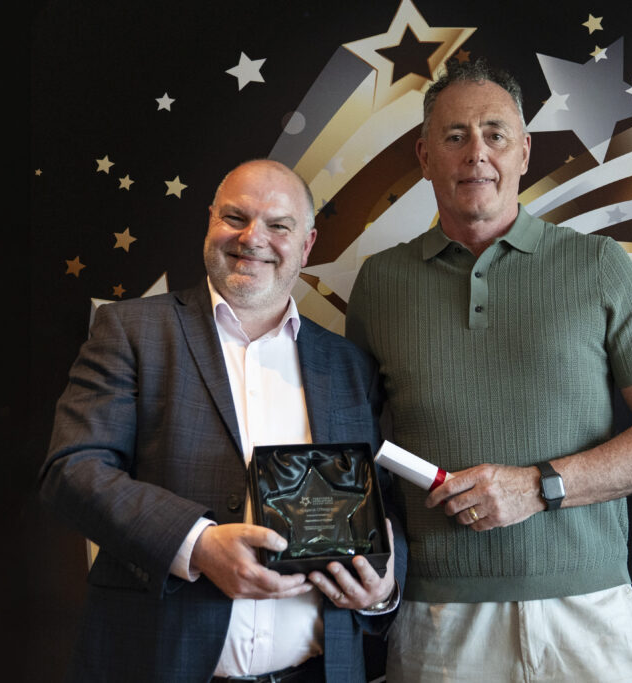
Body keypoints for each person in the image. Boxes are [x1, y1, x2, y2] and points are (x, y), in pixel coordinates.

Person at [345, 59, 632, 682]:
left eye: (495, 134)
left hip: (590, 618)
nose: (476, 152)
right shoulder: (380, 283)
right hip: (440, 624)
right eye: (455, 136)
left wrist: (537, 487)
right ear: (425, 157)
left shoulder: (598, 264)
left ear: (524, 152)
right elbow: (355, 449)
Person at [40, 159, 406, 683]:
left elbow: (385, 504)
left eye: (279, 225)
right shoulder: (131, 330)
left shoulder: (348, 365)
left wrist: (384, 586)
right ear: (209, 222)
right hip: (158, 665)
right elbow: (72, 471)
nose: (253, 237)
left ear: (307, 245)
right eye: (235, 217)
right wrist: (196, 544)